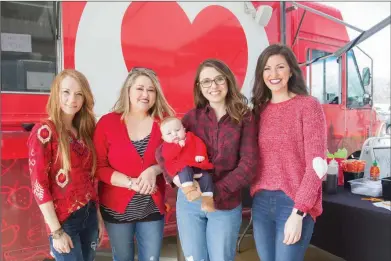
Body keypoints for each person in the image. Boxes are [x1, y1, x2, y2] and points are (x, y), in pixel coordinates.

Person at [156, 59, 258, 261]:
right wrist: (176, 179)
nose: (213, 86)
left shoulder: (244, 118)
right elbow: (162, 151)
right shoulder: (192, 118)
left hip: (225, 204)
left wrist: (213, 191)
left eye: (219, 79)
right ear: (199, 87)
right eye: (206, 81)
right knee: (195, 258)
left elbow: (249, 165)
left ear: (228, 81)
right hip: (190, 203)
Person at [250, 44, 327, 261]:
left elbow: (317, 165)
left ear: (291, 70)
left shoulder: (308, 106)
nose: (273, 74)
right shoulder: (258, 111)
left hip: (293, 202)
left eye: (280, 67)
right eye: (267, 69)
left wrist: (299, 212)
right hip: (261, 202)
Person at [93, 67, 174, 261]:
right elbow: (99, 167)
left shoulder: (164, 124)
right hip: (116, 210)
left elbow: (173, 159)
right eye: (139, 88)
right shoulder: (107, 123)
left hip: (152, 209)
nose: (145, 94)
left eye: (151, 90)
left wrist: (153, 170)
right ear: (128, 91)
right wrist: (130, 183)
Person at [27, 69, 104, 261]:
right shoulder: (44, 132)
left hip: (89, 215)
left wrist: (99, 218)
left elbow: (91, 178)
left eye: (79, 94)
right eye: (66, 92)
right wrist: (56, 231)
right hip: (64, 221)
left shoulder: (85, 131)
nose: (72, 99)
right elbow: (39, 186)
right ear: (56, 93)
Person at [160, 116, 215, 212]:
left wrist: (200, 154)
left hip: (196, 166)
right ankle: (190, 191)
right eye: (169, 133)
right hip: (181, 168)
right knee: (185, 170)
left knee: (206, 177)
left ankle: (208, 201)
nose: (174, 134)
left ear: (184, 129)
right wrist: (177, 147)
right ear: (163, 138)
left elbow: (200, 145)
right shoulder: (167, 146)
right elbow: (168, 156)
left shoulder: (191, 137)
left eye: (177, 130)